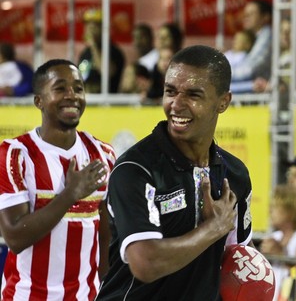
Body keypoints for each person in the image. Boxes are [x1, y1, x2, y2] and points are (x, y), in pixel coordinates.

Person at [96, 45, 253, 300]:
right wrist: (213, 229)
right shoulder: (135, 169)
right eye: (170, 91)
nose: (176, 105)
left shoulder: (234, 173)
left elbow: (238, 256)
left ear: (223, 102)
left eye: (193, 94)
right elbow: (145, 262)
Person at [0, 59, 115, 300]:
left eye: (78, 88)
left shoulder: (102, 153)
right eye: (60, 88)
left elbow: (105, 234)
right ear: (38, 101)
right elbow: (15, 237)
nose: (72, 95)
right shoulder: (15, 155)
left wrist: (103, 288)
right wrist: (70, 195)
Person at [77, 8, 126, 94]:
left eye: (94, 26)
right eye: (87, 25)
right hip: (89, 102)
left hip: (107, 103)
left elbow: (107, 73)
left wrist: (93, 45)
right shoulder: (85, 53)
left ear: (104, 28)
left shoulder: (114, 51)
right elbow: (81, 77)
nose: (89, 29)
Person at [231, 0, 272, 93]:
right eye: (245, 14)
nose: (246, 17)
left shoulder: (266, 36)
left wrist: (221, 73)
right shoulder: (255, 37)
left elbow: (249, 70)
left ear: (265, 17)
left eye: (251, 14)